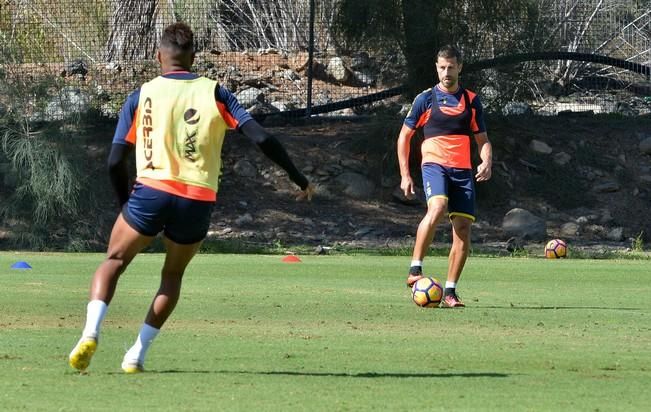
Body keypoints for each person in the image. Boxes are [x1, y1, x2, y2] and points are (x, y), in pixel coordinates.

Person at [68, 22, 314, 373]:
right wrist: (297, 177)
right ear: (194, 57)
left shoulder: (142, 95)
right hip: (197, 198)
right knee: (172, 276)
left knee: (114, 261)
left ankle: (90, 333)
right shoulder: (215, 93)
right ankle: (137, 354)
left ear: (159, 56)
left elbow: (113, 161)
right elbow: (261, 138)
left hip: (150, 192)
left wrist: (125, 205)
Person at [397, 45, 492, 308]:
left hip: (462, 171)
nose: (446, 72)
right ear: (436, 68)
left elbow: (483, 140)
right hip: (434, 165)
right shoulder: (425, 99)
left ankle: (450, 292)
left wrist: (487, 160)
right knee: (437, 206)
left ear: (460, 67)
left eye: (451, 67)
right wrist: (405, 175)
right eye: (442, 67)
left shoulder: (472, 100)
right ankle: (415, 269)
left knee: (462, 229)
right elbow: (404, 137)